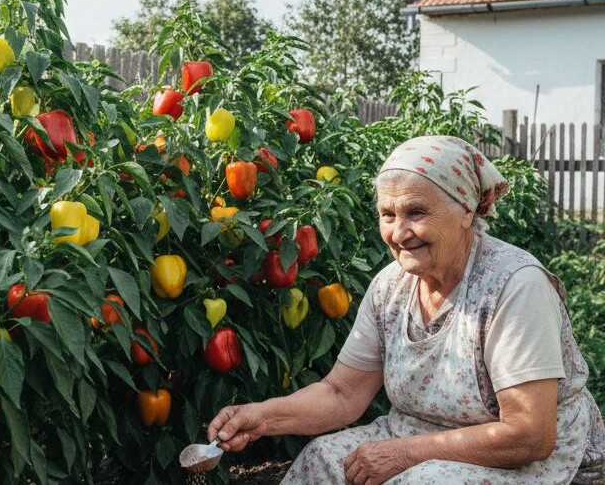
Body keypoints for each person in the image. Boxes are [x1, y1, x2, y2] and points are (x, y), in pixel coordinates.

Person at [208, 136, 604, 484]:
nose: (398, 233)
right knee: (323, 461)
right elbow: (342, 392)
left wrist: (403, 453)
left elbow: (529, 434)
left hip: (520, 457)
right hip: (414, 432)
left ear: (466, 210)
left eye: (416, 212)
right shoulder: (391, 286)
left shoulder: (515, 286)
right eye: (388, 215)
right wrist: (261, 417)